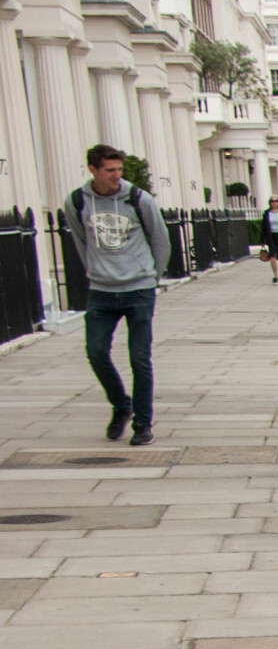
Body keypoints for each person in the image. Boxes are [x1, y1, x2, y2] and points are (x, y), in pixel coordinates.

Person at [63, 143, 170, 445]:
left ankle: (142, 424)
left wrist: (153, 278)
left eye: (119, 169)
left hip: (138, 289)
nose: (117, 176)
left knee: (140, 358)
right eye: (110, 170)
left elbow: (160, 238)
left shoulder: (138, 198)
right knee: (95, 352)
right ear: (93, 169)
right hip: (101, 291)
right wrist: (95, 271)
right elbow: (81, 242)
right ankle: (121, 405)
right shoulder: (76, 201)